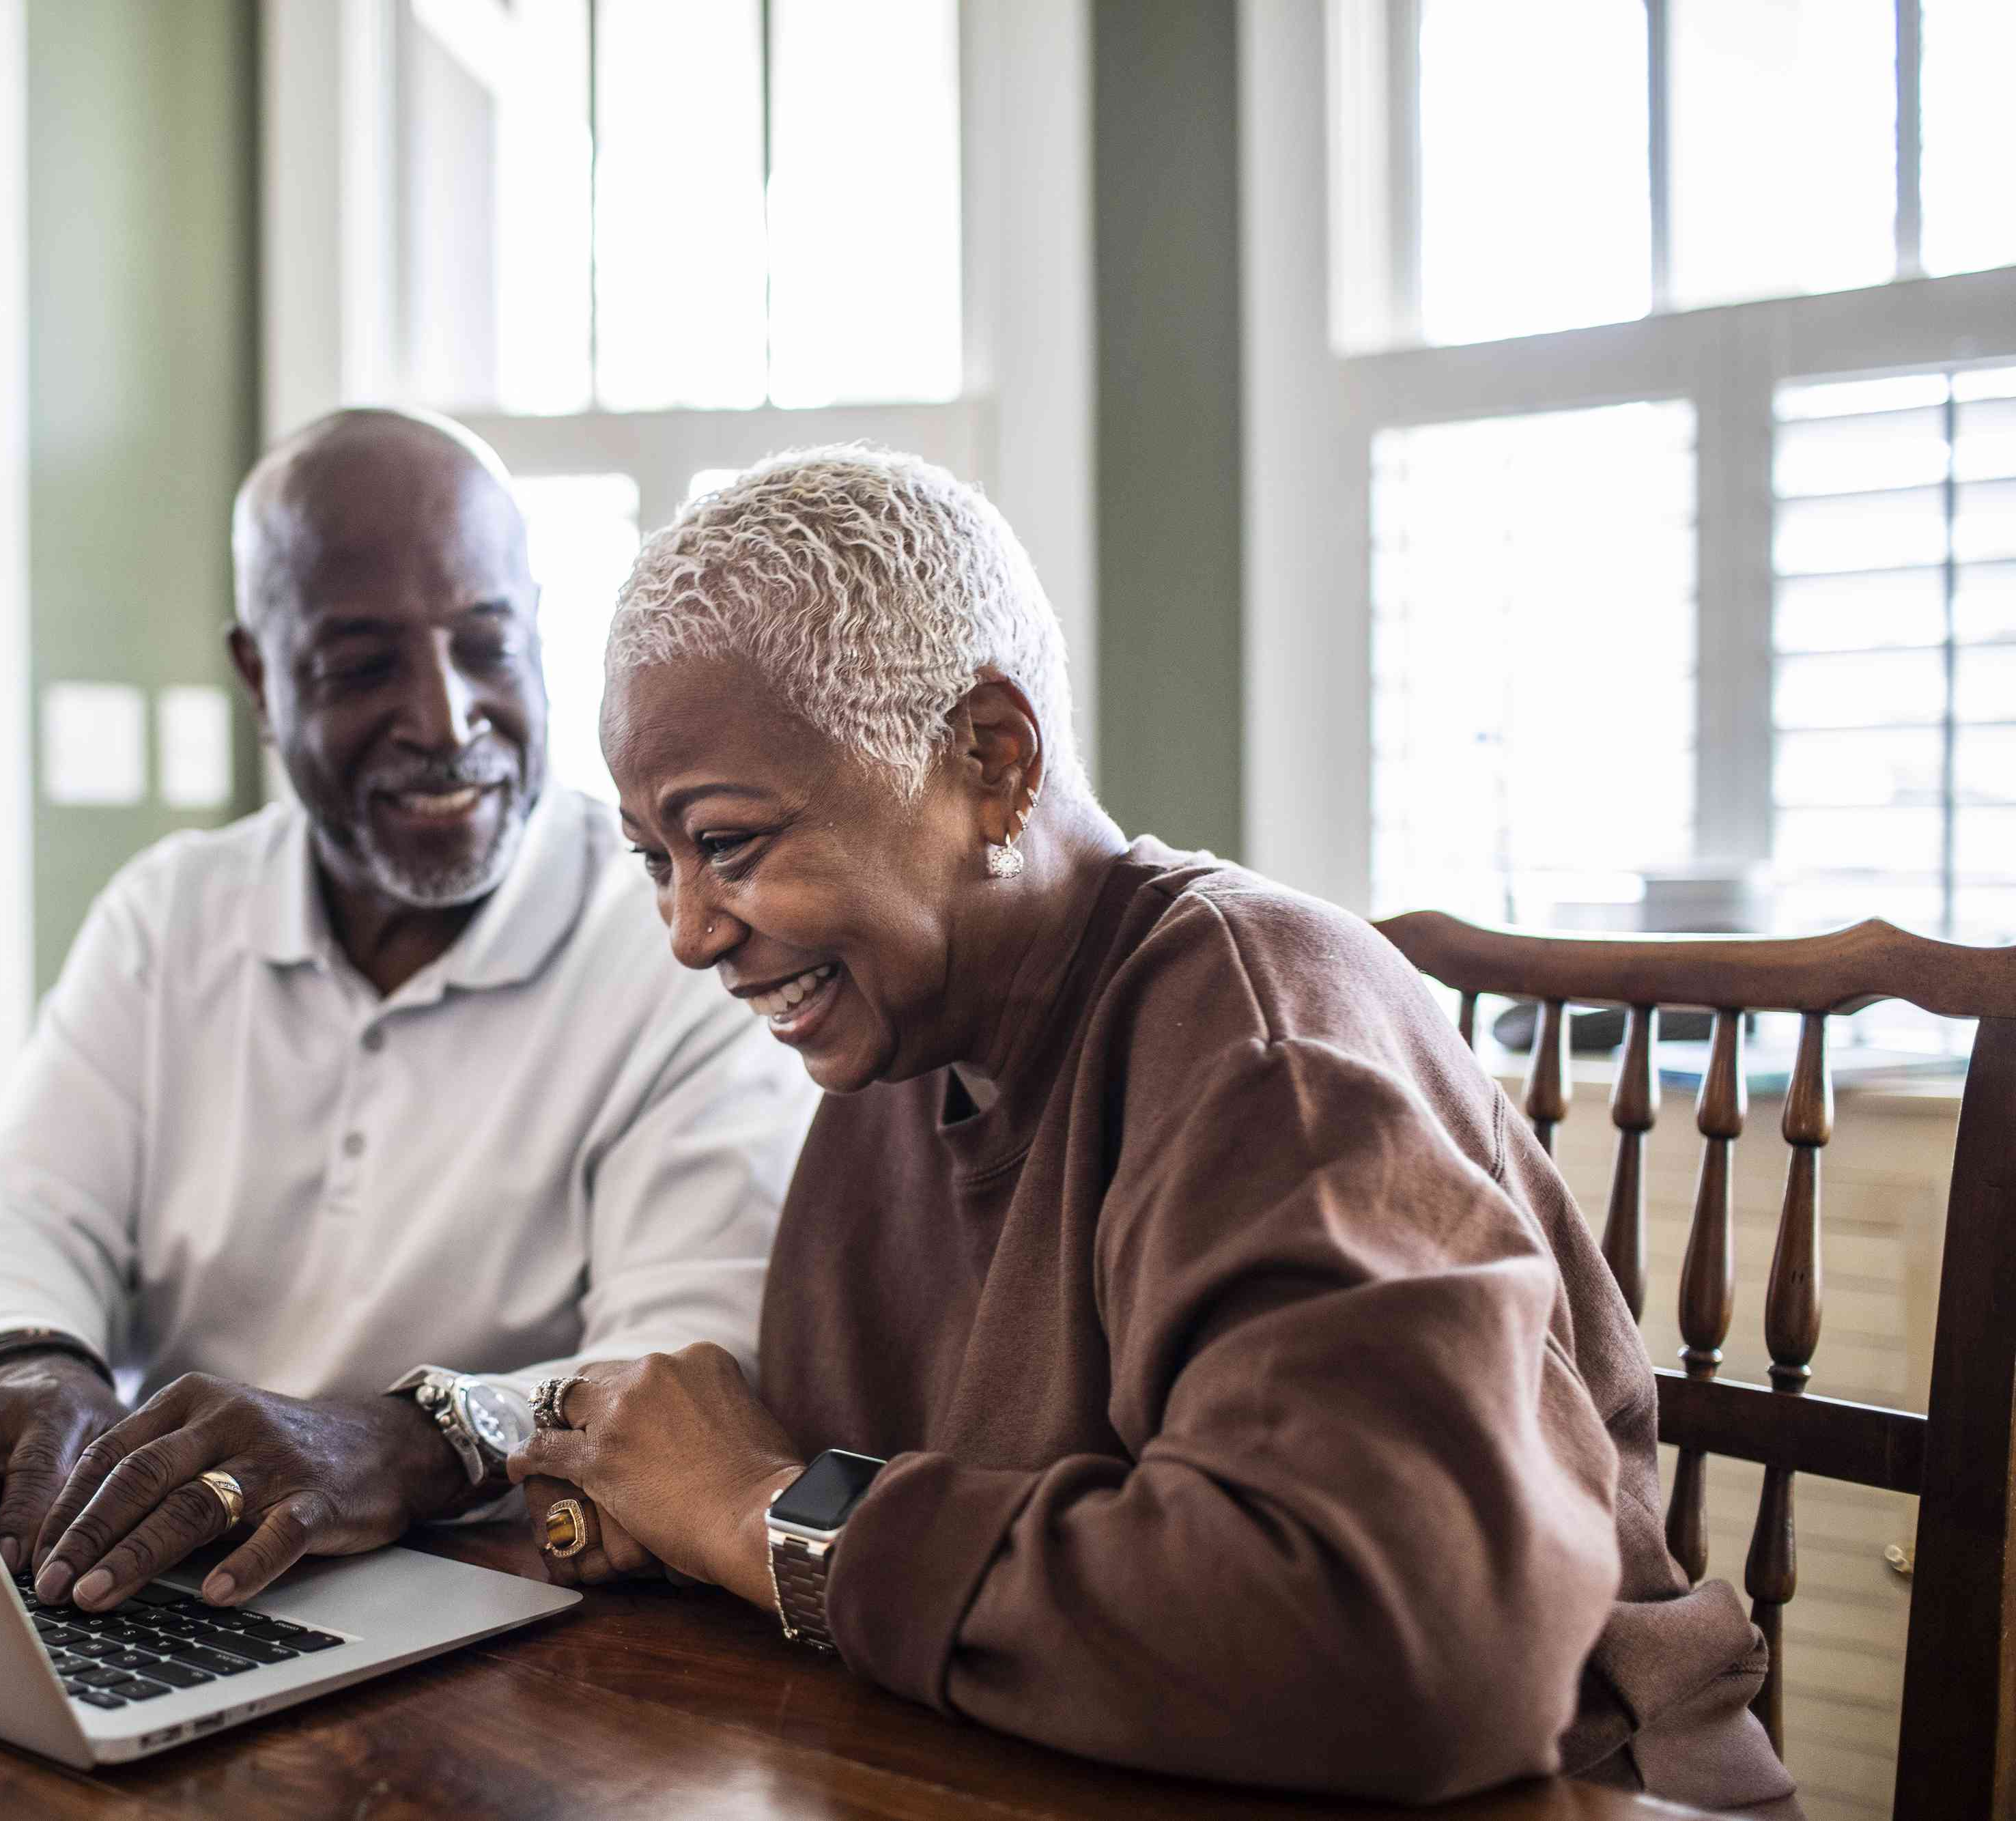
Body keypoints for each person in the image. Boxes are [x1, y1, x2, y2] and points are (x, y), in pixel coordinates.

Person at [508, 448, 1798, 1813]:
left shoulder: (1261, 1032)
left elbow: (1406, 1644)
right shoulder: (891, 1049)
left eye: (729, 842)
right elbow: (883, 1514)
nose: (689, 932)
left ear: (988, 764)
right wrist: (681, 1500)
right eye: (655, 857)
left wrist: (772, 1519)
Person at [0, 409, 814, 1617]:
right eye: (362, 667)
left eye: (487, 646)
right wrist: (25, 1358)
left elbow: (693, 1372)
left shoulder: (680, 942)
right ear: (259, 681)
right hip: (161, 1591)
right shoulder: (171, 918)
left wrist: (414, 1442)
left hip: (510, 1617)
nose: (444, 722)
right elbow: (4, 1219)